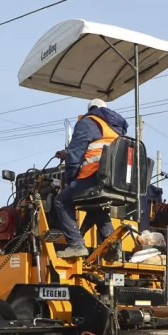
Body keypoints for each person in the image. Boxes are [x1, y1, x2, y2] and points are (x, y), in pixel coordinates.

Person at [53, 98, 128, 259]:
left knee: (61, 200)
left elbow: (75, 157)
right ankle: (113, 247)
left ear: (91, 109)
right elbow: (98, 149)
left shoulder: (88, 122)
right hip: (115, 183)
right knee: (96, 206)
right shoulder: (116, 129)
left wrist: (71, 180)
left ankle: (76, 245)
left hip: (94, 176)